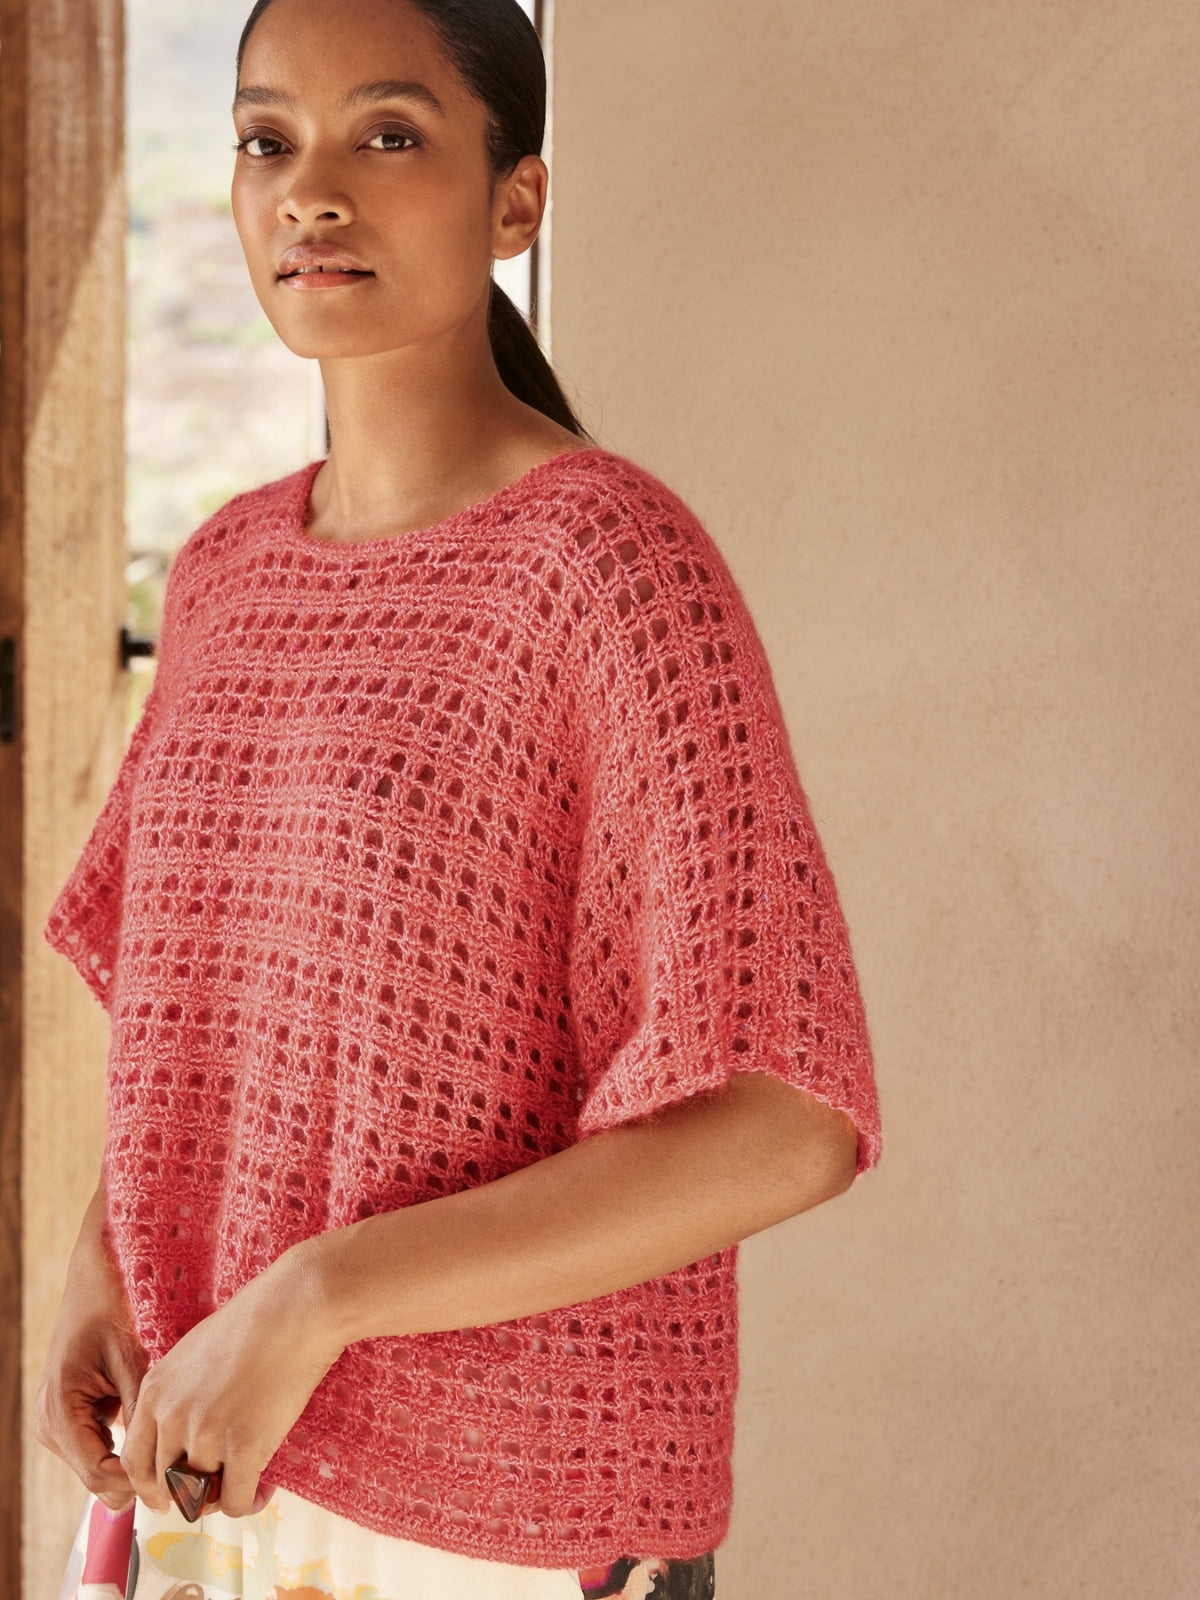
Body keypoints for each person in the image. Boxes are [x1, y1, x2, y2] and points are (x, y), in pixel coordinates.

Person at [36, 1, 884, 1596]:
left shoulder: (607, 570)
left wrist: (316, 1299)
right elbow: (209, 1019)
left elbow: (787, 1128)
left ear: (517, 200)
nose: (311, 191)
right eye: (268, 140)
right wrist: (103, 1260)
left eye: (389, 133)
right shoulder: (226, 572)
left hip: (496, 1521)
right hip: (209, 1479)